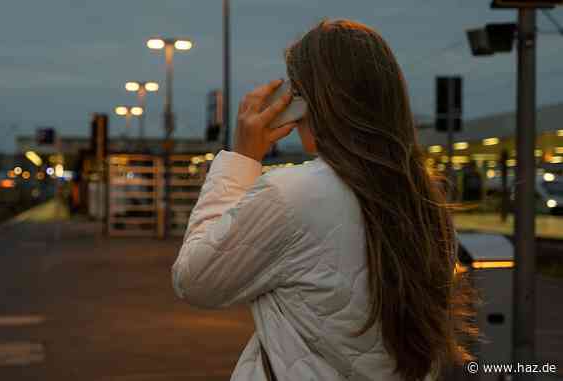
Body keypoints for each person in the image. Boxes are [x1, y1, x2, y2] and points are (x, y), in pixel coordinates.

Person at [171, 19, 476, 381]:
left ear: (310, 102)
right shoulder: (425, 198)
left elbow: (195, 279)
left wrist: (241, 158)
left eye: (295, 91)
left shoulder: (291, 193)